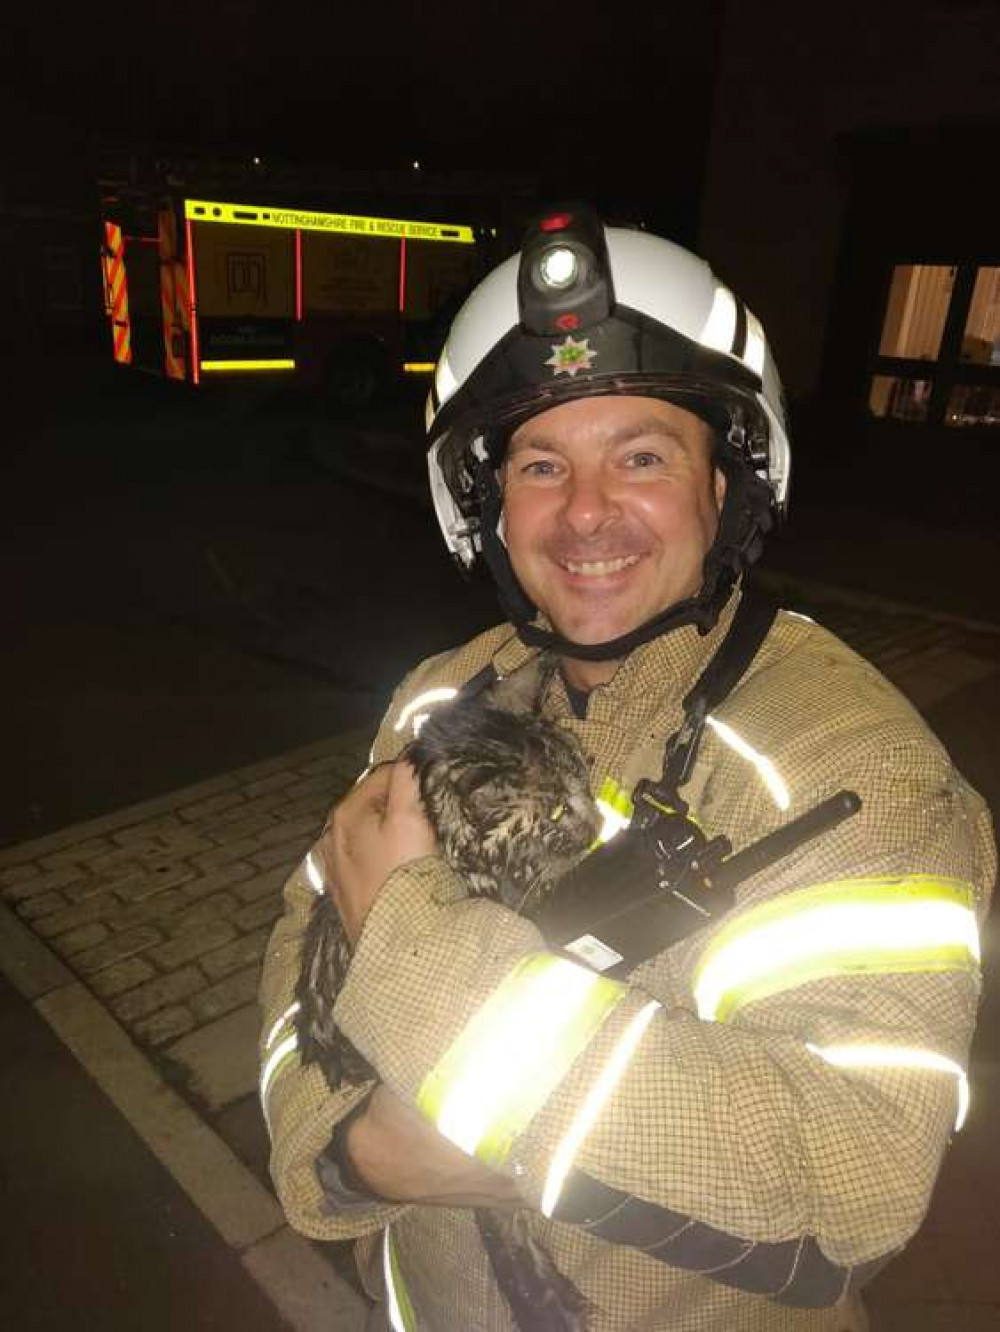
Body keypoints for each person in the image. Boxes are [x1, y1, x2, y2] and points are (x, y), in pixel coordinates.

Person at [258, 206, 995, 1331]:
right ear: (486, 508)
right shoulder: (437, 695)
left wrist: (418, 962)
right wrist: (354, 1160)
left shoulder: (852, 772)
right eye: (540, 464)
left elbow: (856, 1172)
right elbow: (297, 958)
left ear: (725, 487)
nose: (585, 512)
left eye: (641, 456)